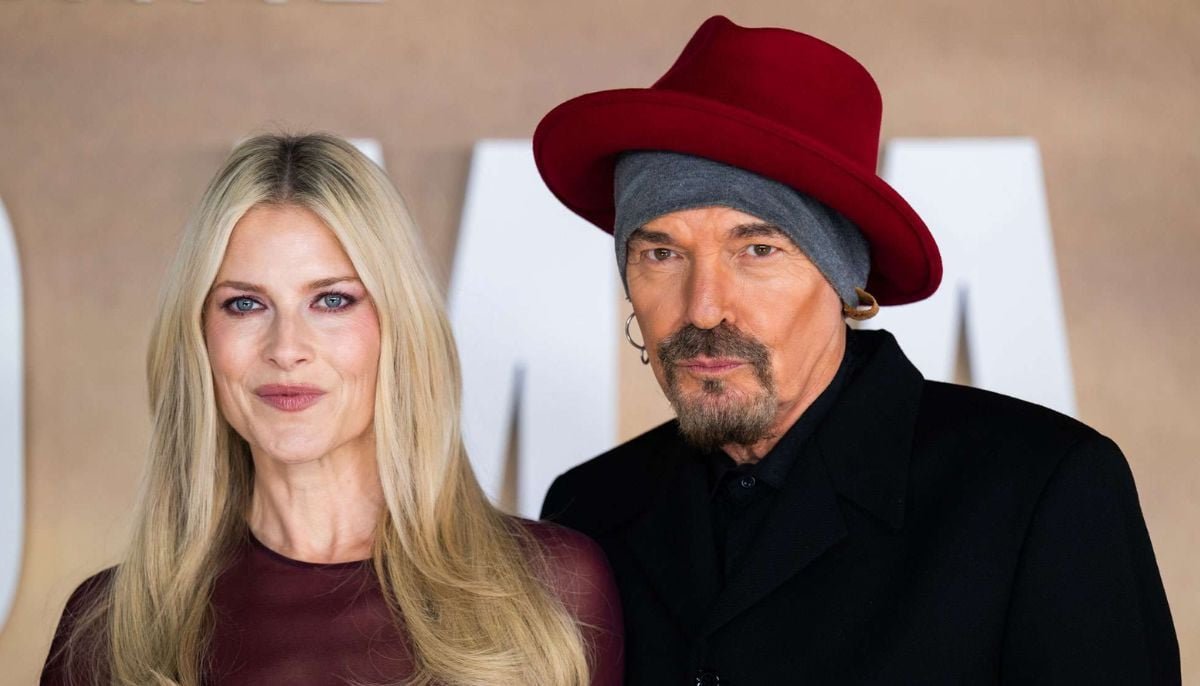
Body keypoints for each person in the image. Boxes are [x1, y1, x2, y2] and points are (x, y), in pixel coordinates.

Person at [535, 15, 1180, 685]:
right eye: (661, 254)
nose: (702, 308)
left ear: (845, 280)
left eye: (758, 250)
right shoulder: (589, 511)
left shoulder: (1040, 490)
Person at [41, 133, 623, 686]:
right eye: (244, 304)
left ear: (398, 327)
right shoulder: (109, 630)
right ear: (199, 336)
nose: (286, 348)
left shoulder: (553, 590)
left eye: (332, 300)